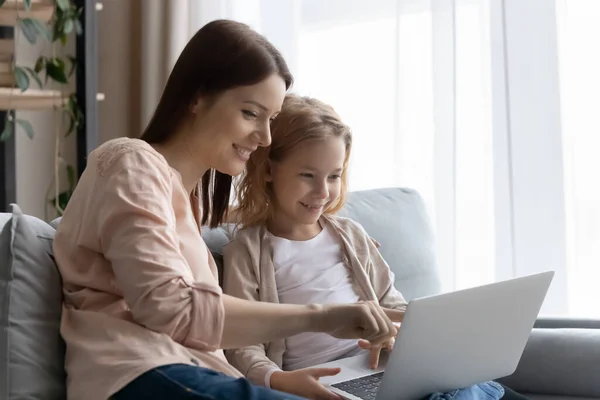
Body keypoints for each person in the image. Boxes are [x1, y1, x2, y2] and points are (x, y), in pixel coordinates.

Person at [52, 20, 402, 400]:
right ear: (197, 96)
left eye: (271, 119)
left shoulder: (184, 200)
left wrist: (332, 227)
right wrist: (322, 316)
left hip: (199, 374)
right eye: (251, 113)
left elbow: (232, 221)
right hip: (143, 374)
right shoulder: (130, 162)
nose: (265, 137)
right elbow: (172, 308)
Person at [223, 94, 529, 400]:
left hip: (380, 370)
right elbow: (242, 344)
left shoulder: (349, 234)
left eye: (334, 176)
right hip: (319, 380)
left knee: (486, 390)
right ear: (268, 170)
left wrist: (398, 334)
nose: (322, 192)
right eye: (307, 175)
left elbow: (390, 304)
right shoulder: (247, 253)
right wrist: (278, 379)